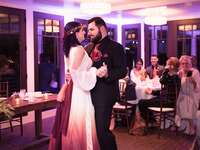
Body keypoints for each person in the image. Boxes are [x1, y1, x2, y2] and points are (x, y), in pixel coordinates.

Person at [48, 21, 107, 150]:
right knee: (81, 121)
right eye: (82, 30)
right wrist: (95, 72)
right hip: (80, 91)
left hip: (74, 89)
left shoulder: (70, 49)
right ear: (75, 33)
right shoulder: (79, 49)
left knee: (72, 121)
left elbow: (71, 72)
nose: (84, 33)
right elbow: (76, 74)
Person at [86, 17, 127, 150]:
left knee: (101, 131)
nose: (89, 33)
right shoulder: (88, 48)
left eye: (92, 29)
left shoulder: (116, 47)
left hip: (104, 94)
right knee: (90, 130)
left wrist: (108, 73)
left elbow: (122, 71)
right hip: (87, 94)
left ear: (102, 28)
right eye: (88, 30)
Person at [176, 55, 200, 135]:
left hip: (193, 95)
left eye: (187, 63)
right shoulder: (180, 72)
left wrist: (193, 81)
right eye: (183, 63)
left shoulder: (195, 72)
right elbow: (179, 86)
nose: (185, 65)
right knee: (181, 104)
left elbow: (197, 88)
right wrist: (179, 78)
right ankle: (188, 126)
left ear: (190, 64)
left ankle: (192, 126)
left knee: (189, 105)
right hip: (183, 94)